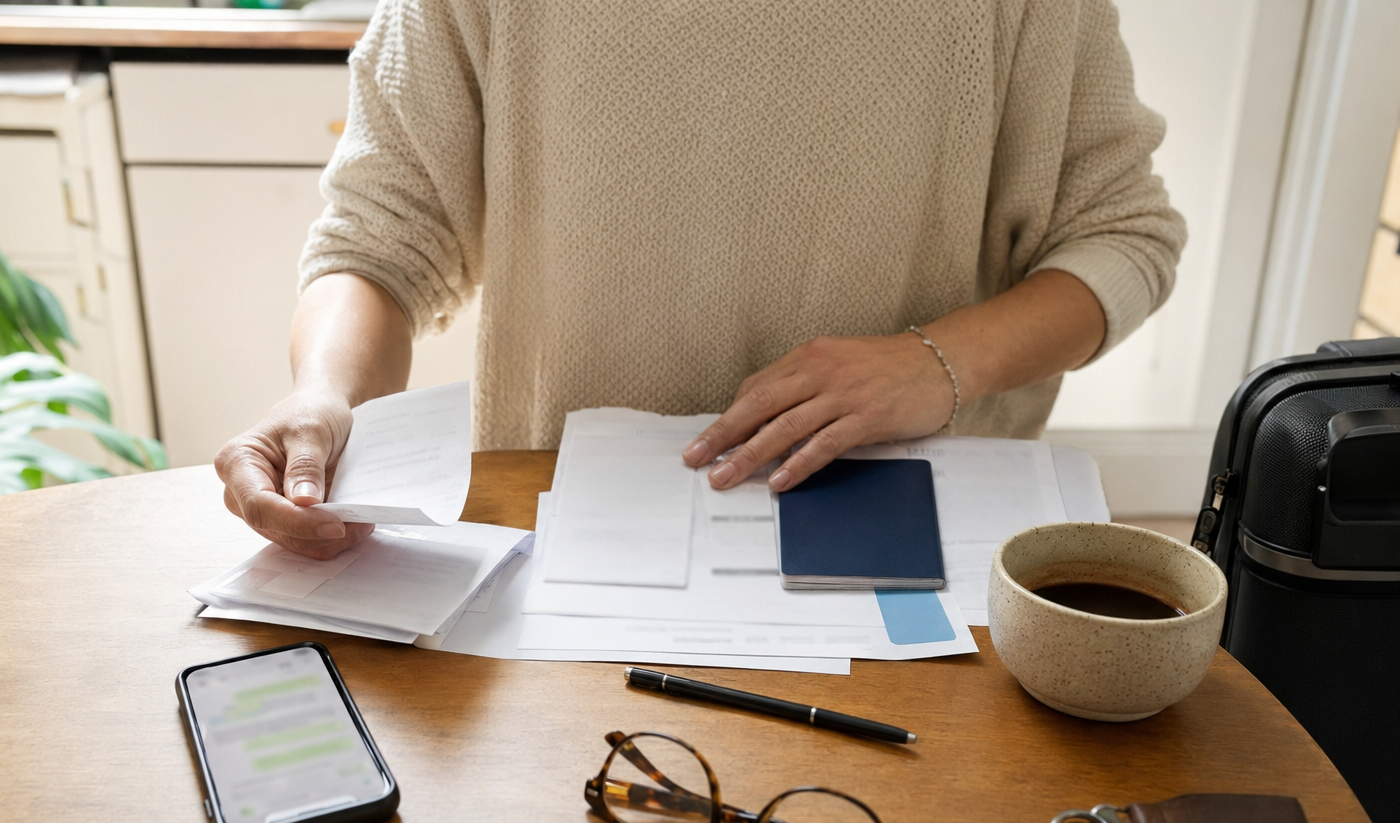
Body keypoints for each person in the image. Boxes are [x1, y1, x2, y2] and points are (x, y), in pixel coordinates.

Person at [216, 0, 1185, 559]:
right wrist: (325, 394)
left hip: (896, 515)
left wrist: (934, 363)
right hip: (575, 522)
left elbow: (1122, 236)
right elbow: (380, 237)